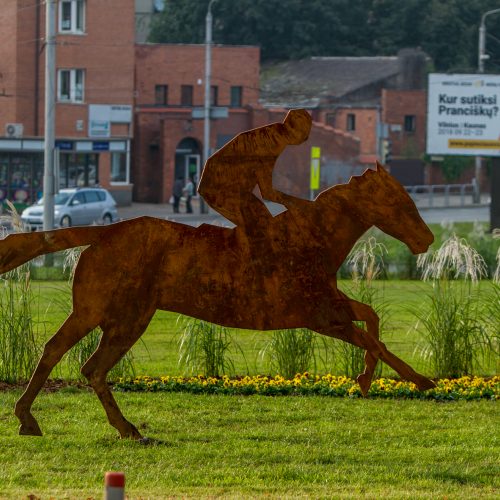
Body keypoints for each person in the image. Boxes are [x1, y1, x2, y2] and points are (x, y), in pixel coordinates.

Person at [198, 108, 312, 231]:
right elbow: (267, 193)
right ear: (293, 130)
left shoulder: (273, 134)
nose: (302, 140)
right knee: (261, 228)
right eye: (302, 135)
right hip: (220, 187)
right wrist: (301, 204)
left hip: (233, 187)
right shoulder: (270, 142)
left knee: (264, 225)